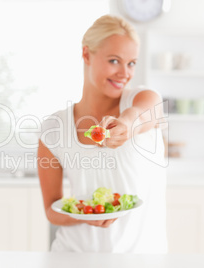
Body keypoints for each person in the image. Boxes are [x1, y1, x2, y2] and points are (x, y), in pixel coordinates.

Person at [37, 15, 167, 253]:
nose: (124, 73)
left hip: (141, 258)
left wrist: (126, 124)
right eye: (114, 60)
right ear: (86, 54)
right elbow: (51, 210)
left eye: (132, 63)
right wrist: (85, 216)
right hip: (73, 256)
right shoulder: (54, 128)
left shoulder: (143, 99)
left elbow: (143, 113)